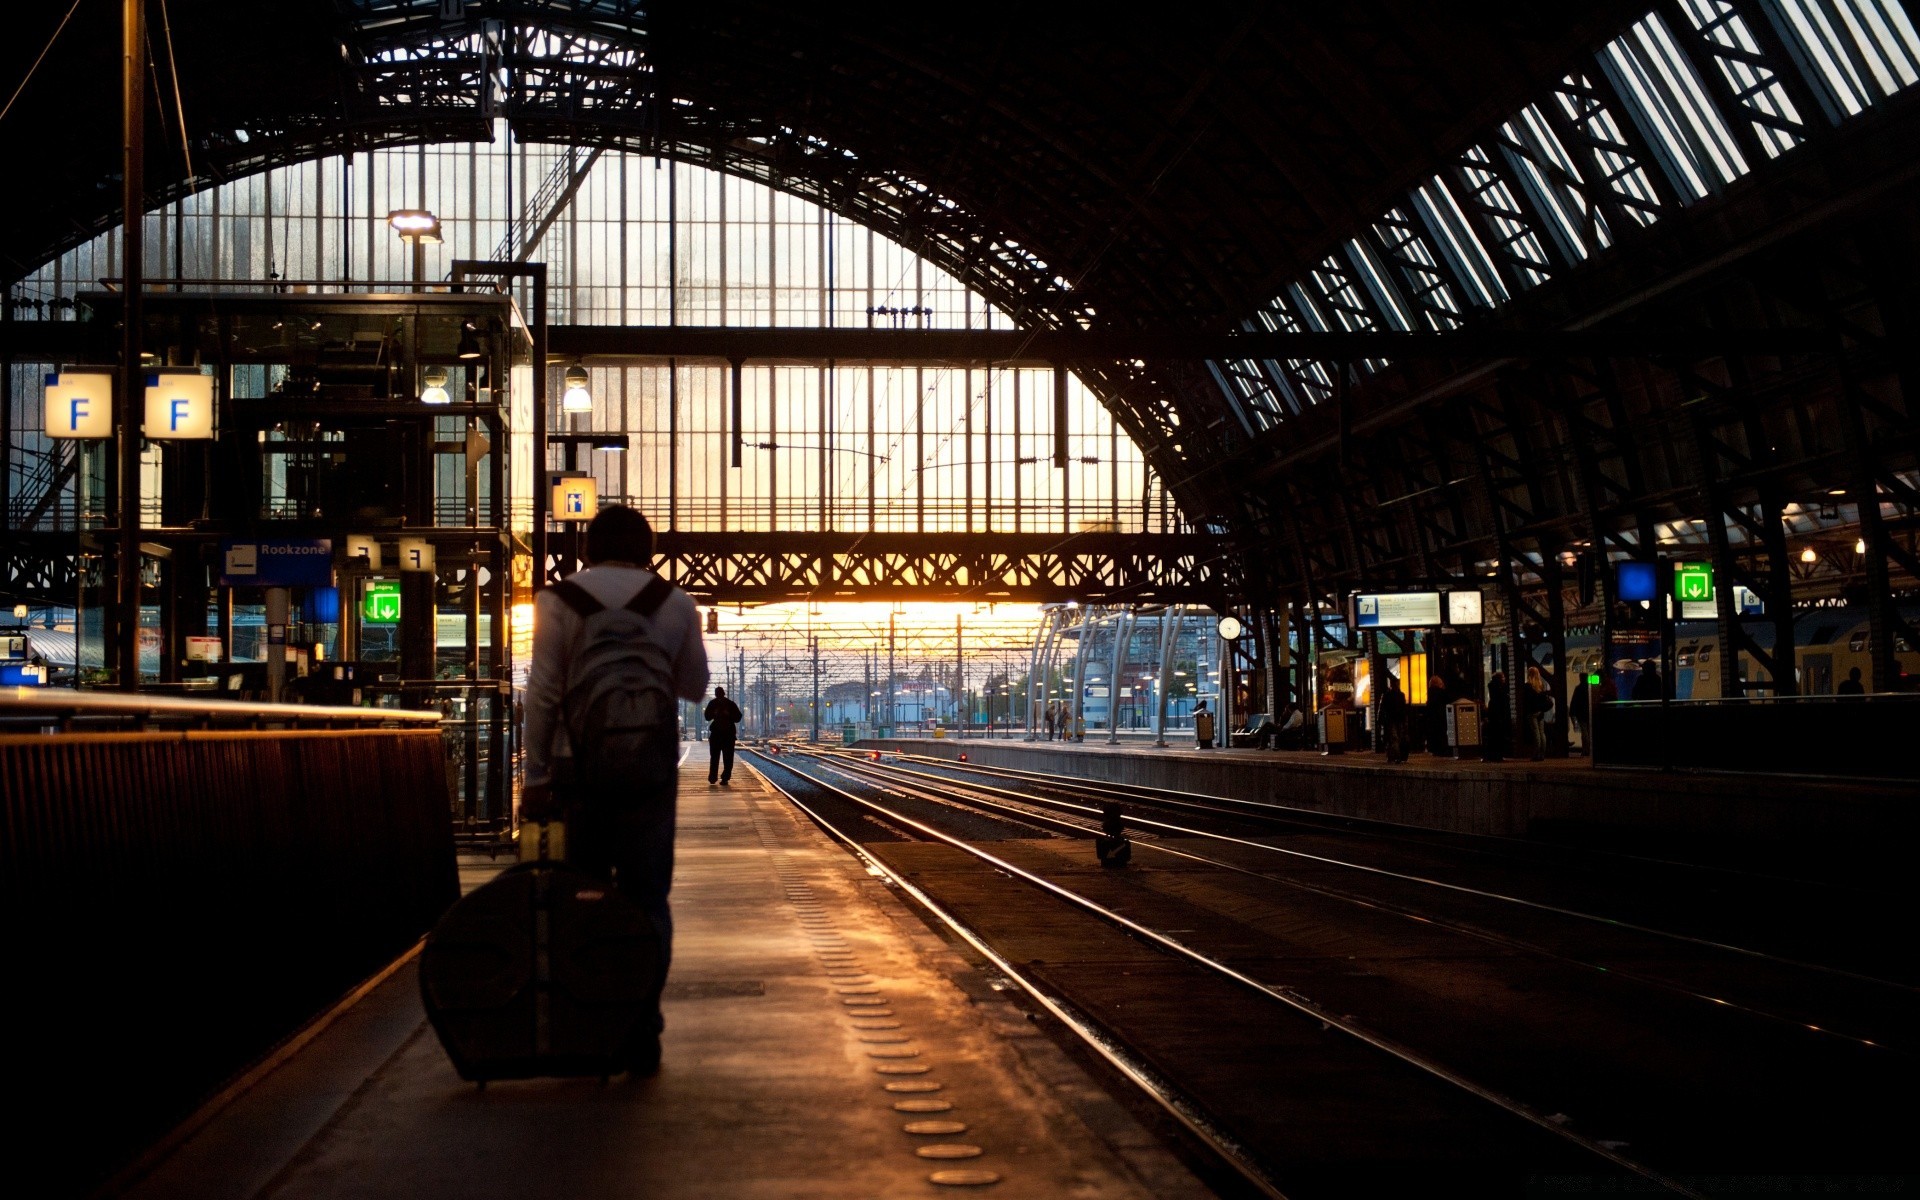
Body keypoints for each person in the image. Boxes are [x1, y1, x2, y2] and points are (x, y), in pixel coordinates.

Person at [522, 505, 709, 1076]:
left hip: (574, 773)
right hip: (649, 773)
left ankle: (590, 1019)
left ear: (588, 549)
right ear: (648, 551)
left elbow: (544, 695)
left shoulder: (558, 602)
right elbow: (695, 687)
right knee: (648, 900)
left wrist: (533, 780)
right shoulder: (675, 604)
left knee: (583, 896)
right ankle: (642, 1027)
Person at [705, 686, 743, 785]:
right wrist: (717, 713)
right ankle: (725, 777)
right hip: (728, 735)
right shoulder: (730, 704)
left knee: (714, 757)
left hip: (717, 735)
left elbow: (707, 717)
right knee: (728, 758)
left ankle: (713, 777)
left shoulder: (713, 703)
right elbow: (738, 717)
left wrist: (724, 714)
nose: (719, 696)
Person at [1379, 672, 1409, 763]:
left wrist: (1380, 720)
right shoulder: (1401, 695)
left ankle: (1394, 755)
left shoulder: (1387, 695)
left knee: (1393, 738)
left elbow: (1382, 708)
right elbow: (1404, 708)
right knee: (1397, 737)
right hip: (1398, 719)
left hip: (1391, 719)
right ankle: (1398, 756)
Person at [1483, 670, 1511, 762]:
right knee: (1498, 736)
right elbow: (1503, 701)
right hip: (1498, 715)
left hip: (1494, 715)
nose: (1504, 679)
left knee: (1493, 737)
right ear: (1499, 679)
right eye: (1503, 677)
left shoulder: (1493, 687)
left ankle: (1491, 756)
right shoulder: (1499, 689)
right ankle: (1497, 756)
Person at [1524, 665, 1551, 761]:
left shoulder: (1527, 686)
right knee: (1542, 733)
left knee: (1536, 733)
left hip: (1532, 712)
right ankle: (1542, 754)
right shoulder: (1541, 685)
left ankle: (1535, 754)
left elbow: (1526, 701)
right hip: (1540, 712)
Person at [1425, 674, 1451, 755]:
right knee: (1441, 733)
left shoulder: (1429, 694)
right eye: (1441, 684)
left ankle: (1435, 749)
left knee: (1434, 733)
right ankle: (1441, 750)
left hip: (1432, 718)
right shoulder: (1441, 693)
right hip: (1440, 716)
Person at [1567, 675, 1590, 755]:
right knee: (1589, 731)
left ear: (1580, 678)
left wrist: (1572, 712)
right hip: (1589, 712)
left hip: (1581, 713)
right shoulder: (1590, 688)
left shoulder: (1578, 688)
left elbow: (1574, 701)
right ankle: (1590, 749)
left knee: (1584, 731)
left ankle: (1585, 750)